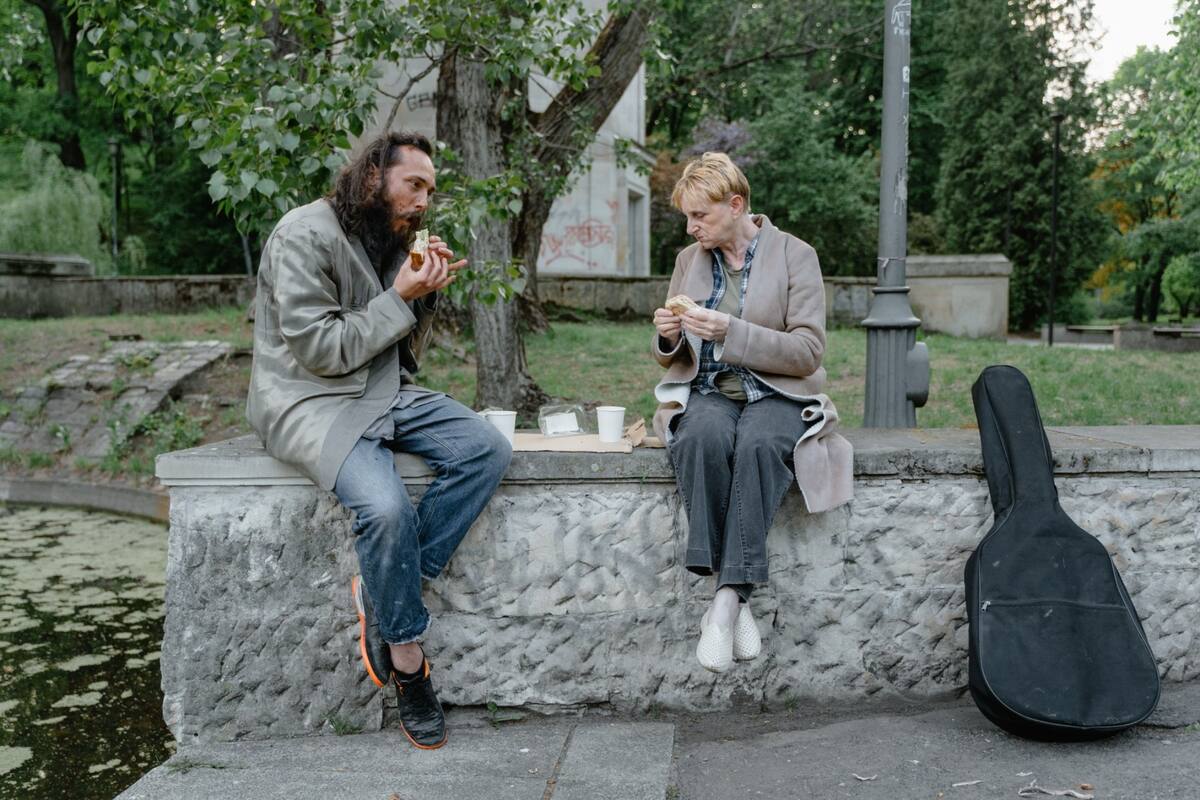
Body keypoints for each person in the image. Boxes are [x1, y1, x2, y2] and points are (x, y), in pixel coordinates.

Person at [246, 131, 512, 749]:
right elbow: (322, 350)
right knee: (386, 506)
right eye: (413, 185)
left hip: (380, 388)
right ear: (374, 177)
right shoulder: (302, 235)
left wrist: (425, 291)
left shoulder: (387, 238)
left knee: (486, 448)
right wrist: (400, 296)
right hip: (309, 399)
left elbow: (402, 351)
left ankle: (387, 589)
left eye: (429, 190)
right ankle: (409, 659)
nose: (422, 201)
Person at [651, 152, 852, 674]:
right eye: (688, 218)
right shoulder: (689, 261)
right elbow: (674, 354)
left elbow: (809, 351)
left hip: (779, 393)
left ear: (736, 205)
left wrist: (732, 334)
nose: (692, 227)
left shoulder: (796, 256)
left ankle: (723, 603)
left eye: (701, 215)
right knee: (699, 439)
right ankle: (734, 597)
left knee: (761, 444)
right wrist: (667, 337)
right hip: (712, 389)